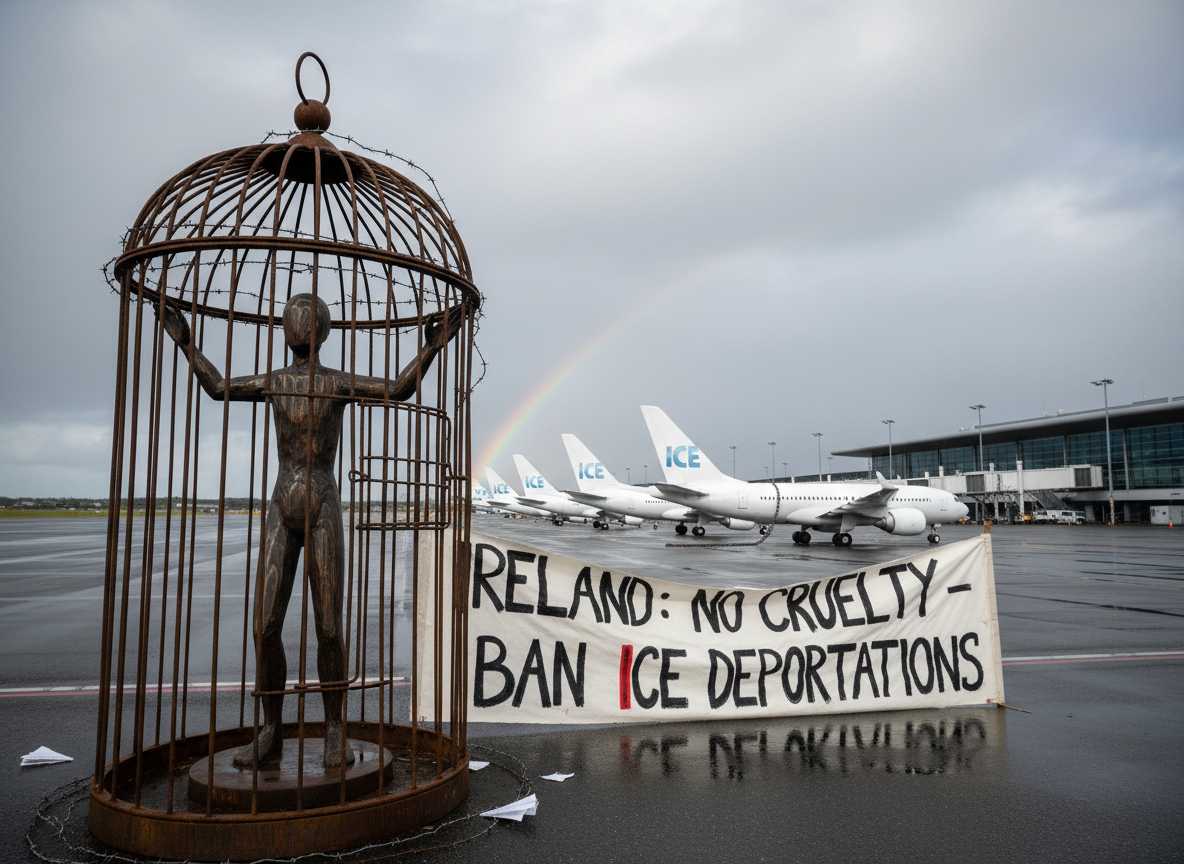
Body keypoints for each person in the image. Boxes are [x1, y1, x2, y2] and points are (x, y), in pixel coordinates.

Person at [158, 293, 463, 770]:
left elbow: (398, 389)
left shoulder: (336, 383)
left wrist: (433, 346)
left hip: (322, 502)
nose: (298, 326)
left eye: (306, 319)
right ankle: (271, 729)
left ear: (320, 330)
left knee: (327, 626)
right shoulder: (275, 381)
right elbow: (217, 388)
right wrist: (185, 342)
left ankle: (336, 729)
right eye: (292, 319)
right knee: (264, 626)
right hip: (282, 502)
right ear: (285, 329)